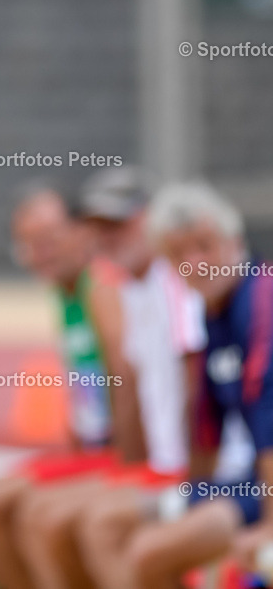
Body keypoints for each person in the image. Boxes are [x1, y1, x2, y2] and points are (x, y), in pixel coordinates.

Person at [15, 168, 207, 589]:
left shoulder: (135, 283)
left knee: (59, 520)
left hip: (177, 469)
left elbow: (168, 385)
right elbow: (96, 388)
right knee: (30, 512)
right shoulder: (127, 287)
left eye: (119, 224)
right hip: (146, 461)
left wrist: (141, 471)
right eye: (99, 227)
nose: (107, 237)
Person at [75, 182, 273, 589]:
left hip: (256, 487)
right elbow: (206, 430)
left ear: (235, 241)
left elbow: (268, 419)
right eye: (181, 255)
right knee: (107, 525)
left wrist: (270, 525)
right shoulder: (212, 313)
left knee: (148, 550)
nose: (196, 262)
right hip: (240, 483)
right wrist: (183, 491)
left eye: (205, 246)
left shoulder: (262, 297)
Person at [0, 182, 139, 589]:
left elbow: (126, 382)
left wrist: (126, 469)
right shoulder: (66, 295)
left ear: (83, 233)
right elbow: (84, 396)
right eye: (28, 246)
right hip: (92, 453)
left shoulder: (100, 285)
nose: (40, 256)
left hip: (120, 457)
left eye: (49, 241)